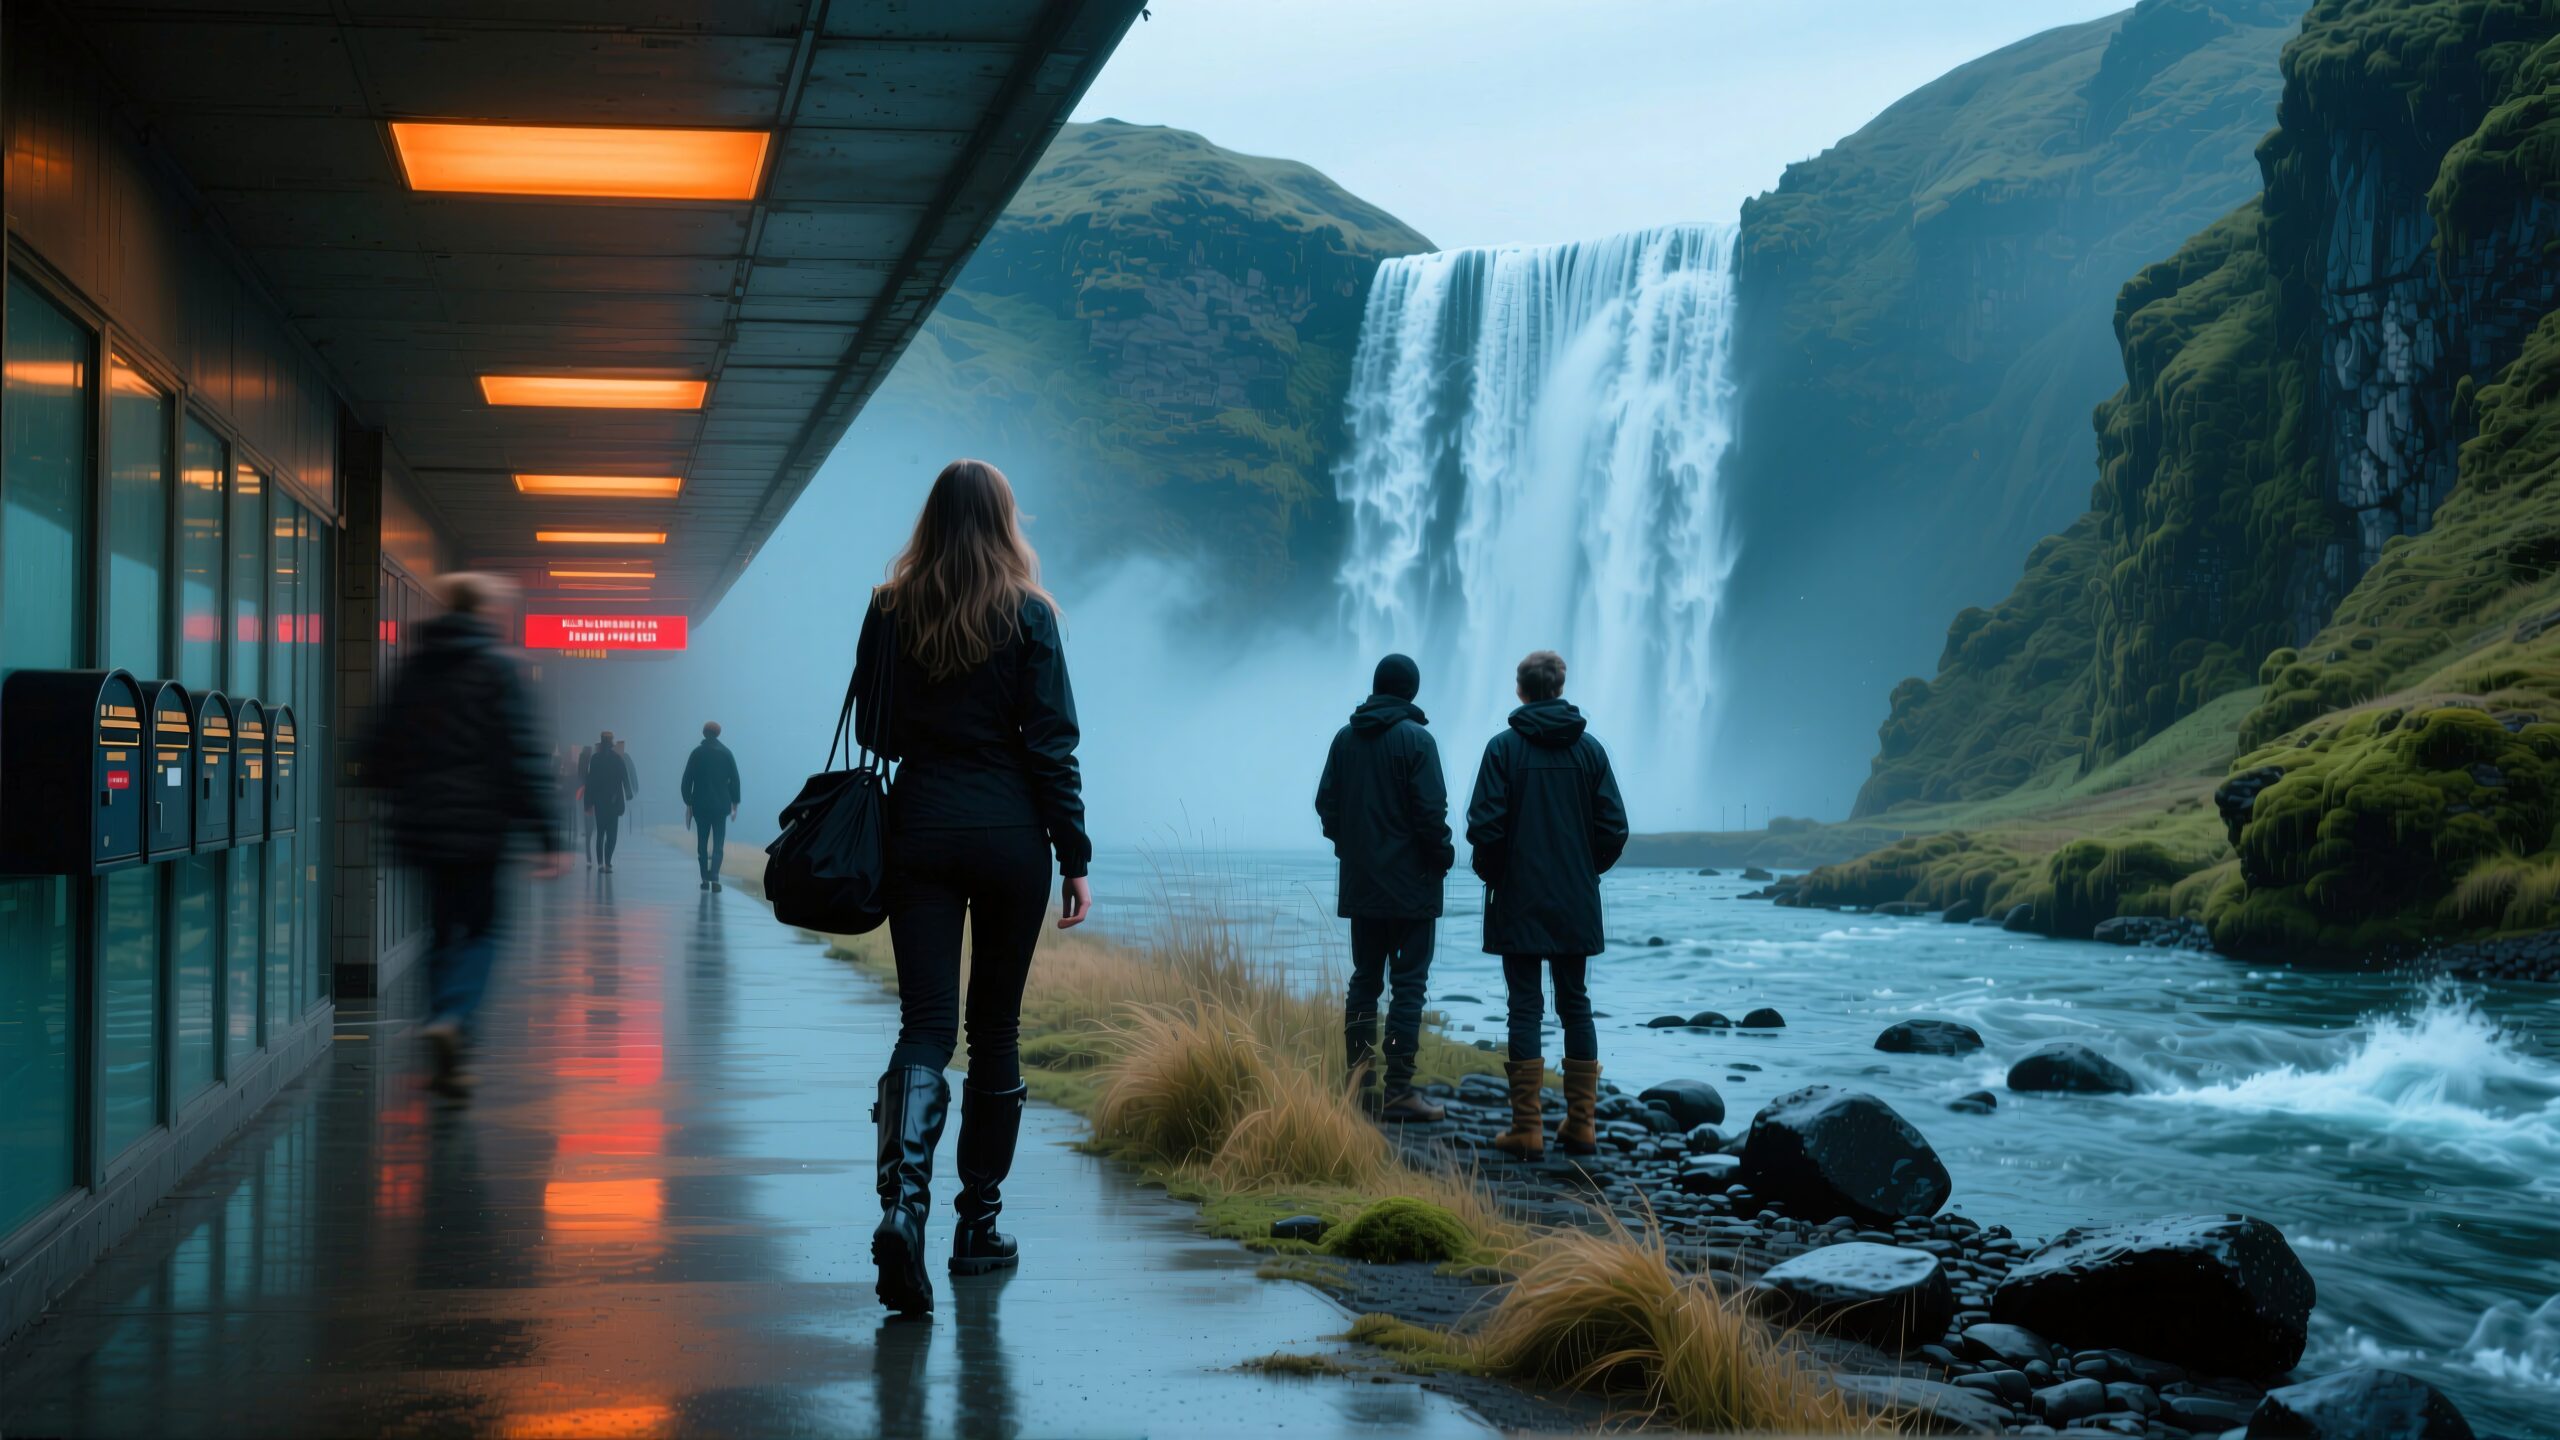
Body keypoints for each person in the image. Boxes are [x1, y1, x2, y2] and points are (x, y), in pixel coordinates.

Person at [852, 458, 1090, 1316]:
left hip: (919, 825)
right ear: (1004, 519)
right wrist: (1075, 854)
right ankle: (976, 1227)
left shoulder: (889, 609)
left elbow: (876, 726)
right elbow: (1052, 742)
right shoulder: (1031, 614)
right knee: (995, 1028)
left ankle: (900, 1210)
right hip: (1010, 836)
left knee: (924, 1024)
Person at [356, 572, 570, 1097]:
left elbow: (375, 749)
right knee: (482, 930)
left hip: (421, 825)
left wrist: (399, 794)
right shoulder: (500, 669)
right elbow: (521, 754)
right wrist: (547, 834)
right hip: (480, 828)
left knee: (439, 928)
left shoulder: (412, 667)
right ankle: (453, 1017)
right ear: (489, 613)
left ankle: (445, 1035)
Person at [1464, 649, 1628, 1162]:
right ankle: (1582, 1126)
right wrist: (1585, 870)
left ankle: (1527, 1129)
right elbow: (1615, 829)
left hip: (1517, 897)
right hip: (1575, 899)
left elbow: (1482, 828)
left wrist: (1498, 875)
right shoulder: (1591, 752)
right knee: (1576, 1003)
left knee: (1524, 1007)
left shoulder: (1501, 750)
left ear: (1521, 691)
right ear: (1559, 688)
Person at [1314, 653, 1453, 1122]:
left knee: (1364, 981)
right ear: (1412, 692)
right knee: (1408, 985)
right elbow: (1432, 816)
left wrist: (1349, 850)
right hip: (1413, 888)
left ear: (1377, 688)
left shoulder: (1345, 739)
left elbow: (1326, 806)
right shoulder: (1419, 741)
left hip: (1362, 884)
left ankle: (1357, 1085)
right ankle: (1398, 1091)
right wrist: (1443, 859)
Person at [680, 720, 742, 890]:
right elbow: (735, 780)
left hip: (700, 804)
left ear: (704, 733)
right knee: (718, 843)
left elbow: (687, 780)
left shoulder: (696, 753)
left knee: (702, 842)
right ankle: (715, 877)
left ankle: (704, 879)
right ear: (718, 734)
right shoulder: (726, 753)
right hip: (721, 805)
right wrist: (734, 802)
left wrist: (688, 802)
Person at [584, 729, 633, 871]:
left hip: (600, 803)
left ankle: (601, 863)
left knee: (601, 833)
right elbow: (624, 777)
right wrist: (628, 793)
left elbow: (590, 782)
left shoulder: (595, 759)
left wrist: (588, 802)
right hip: (613, 802)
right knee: (611, 835)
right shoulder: (617, 759)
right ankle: (607, 862)